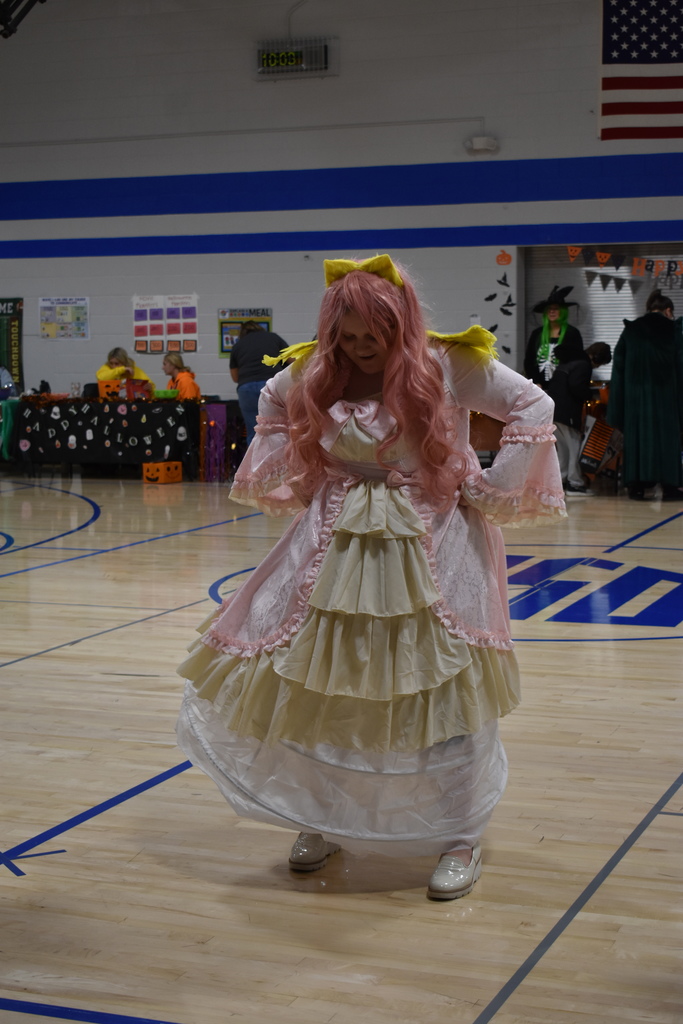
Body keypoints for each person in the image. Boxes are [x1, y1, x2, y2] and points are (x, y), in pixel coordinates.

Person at [176, 255, 566, 901]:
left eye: (372, 337)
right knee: (326, 683)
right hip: (332, 545)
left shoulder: (446, 364)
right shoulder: (312, 371)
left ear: (401, 325)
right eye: (347, 336)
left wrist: (490, 485)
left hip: (435, 544)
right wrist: (298, 469)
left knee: (446, 692)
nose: (359, 349)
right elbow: (271, 406)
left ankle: (458, 834)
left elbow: (532, 401)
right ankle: (323, 817)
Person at [606, 289, 683, 501]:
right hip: (666, 398)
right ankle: (669, 487)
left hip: (635, 401)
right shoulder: (673, 330)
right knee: (666, 440)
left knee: (637, 440)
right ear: (668, 310)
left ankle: (636, 487)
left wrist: (617, 406)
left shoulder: (631, 330)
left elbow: (618, 368)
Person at [546, 342, 612, 495]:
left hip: (553, 410)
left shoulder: (569, 361)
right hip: (567, 411)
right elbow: (576, 386)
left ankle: (561, 480)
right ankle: (575, 483)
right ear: (598, 358)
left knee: (563, 448)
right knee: (574, 445)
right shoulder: (583, 364)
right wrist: (589, 395)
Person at [229, 321, 289, 445]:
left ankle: (254, 464)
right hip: (271, 385)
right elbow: (291, 360)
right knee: (278, 429)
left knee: (253, 432)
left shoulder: (237, 345)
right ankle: (279, 463)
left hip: (246, 388)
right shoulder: (273, 338)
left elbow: (235, 377)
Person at [524, 286, 585, 389]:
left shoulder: (572, 333)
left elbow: (577, 362)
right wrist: (536, 381)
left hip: (564, 388)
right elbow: (529, 360)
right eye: (549, 309)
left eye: (556, 309)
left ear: (563, 311)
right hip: (540, 387)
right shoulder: (537, 334)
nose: (552, 312)